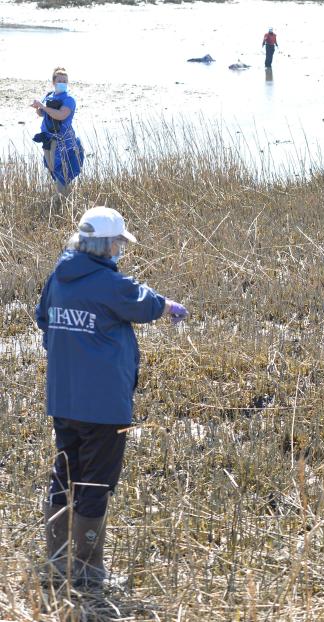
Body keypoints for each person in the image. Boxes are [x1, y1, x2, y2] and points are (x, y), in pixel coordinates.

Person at [35, 206, 188, 589]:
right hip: (102, 407)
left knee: (64, 475)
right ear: (106, 245)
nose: (121, 249)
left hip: (64, 400)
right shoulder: (108, 283)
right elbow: (146, 304)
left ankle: (57, 563)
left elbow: (43, 319)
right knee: (94, 485)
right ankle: (87, 573)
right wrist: (170, 306)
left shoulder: (58, 277)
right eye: (119, 242)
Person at [31, 67, 84, 198]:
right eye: (60, 80)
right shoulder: (49, 95)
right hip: (48, 140)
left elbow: (61, 115)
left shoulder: (69, 99)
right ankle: (63, 198)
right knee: (52, 168)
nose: (62, 83)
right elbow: (42, 113)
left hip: (63, 141)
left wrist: (44, 107)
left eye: (65, 81)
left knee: (63, 171)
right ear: (54, 82)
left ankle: (64, 199)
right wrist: (38, 108)